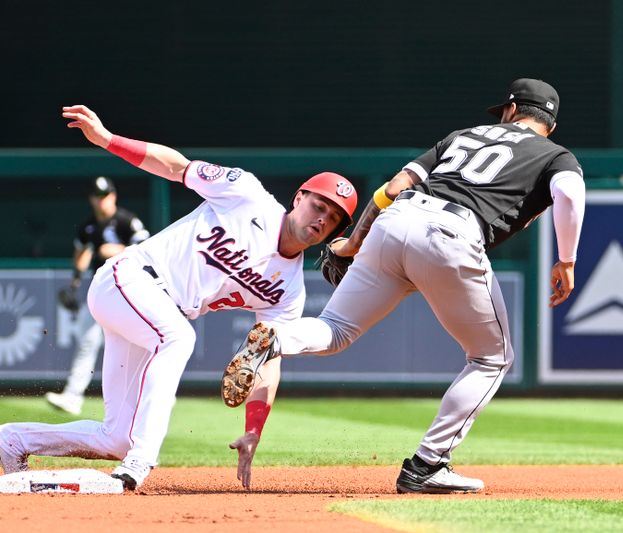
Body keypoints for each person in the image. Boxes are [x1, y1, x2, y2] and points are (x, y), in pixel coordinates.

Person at [223, 78, 586, 493]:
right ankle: (427, 465)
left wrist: (353, 243)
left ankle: (276, 337)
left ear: (509, 109)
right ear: (549, 125)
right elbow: (570, 196)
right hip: (452, 235)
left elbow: (393, 188)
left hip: (397, 220)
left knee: (336, 328)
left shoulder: (463, 136)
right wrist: (567, 259)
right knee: (491, 358)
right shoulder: (556, 154)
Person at [0, 104, 358, 491]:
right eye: (319, 205)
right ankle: (140, 463)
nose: (322, 218)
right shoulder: (247, 194)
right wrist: (109, 140)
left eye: (333, 218)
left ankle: (13, 440)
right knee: (179, 338)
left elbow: (266, 355)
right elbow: (176, 167)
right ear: (299, 197)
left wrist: (254, 429)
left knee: (117, 436)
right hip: (128, 278)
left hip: (152, 313)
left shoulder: (289, 289)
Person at [47, 176, 150, 415]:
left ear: (113, 196)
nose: (101, 201)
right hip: (103, 292)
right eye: (97, 196)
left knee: (139, 343)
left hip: (131, 292)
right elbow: (82, 251)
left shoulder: (127, 221)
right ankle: (72, 396)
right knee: (87, 342)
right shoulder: (88, 226)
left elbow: (148, 249)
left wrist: (118, 250)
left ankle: (149, 393)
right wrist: (74, 282)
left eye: (105, 196)